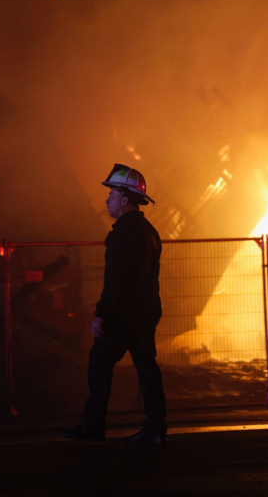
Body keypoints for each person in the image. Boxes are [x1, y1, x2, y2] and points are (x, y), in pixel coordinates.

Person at [59, 164, 166, 444]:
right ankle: (155, 429)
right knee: (147, 369)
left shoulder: (122, 234)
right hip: (144, 313)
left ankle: (93, 427)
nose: (107, 200)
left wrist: (101, 314)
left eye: (111, 195)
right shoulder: (149, 231)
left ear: (124, 199)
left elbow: (116, 280)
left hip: (123, 316)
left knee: (99, 365)